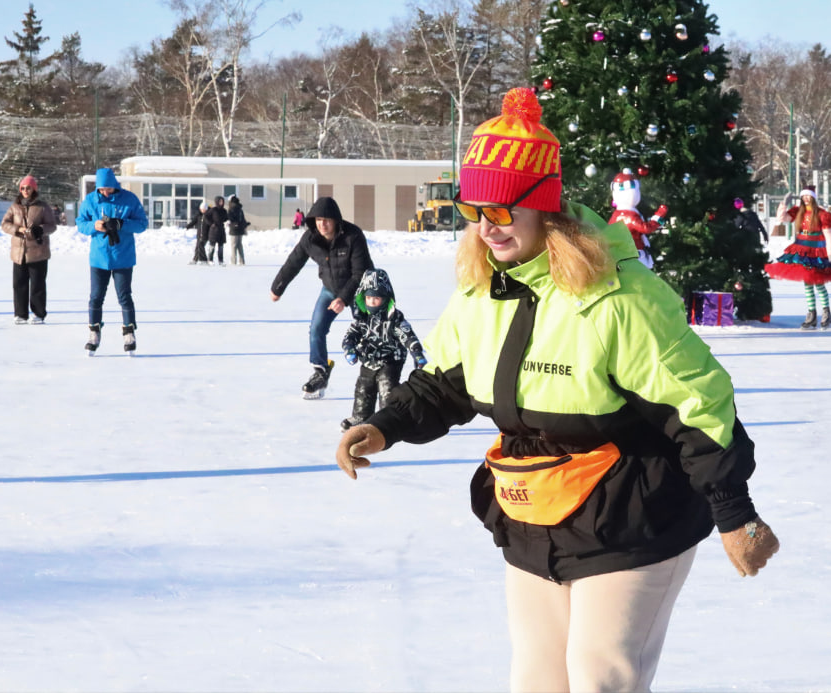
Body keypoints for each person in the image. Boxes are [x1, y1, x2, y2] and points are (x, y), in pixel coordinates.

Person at [335, 88, 778, 693]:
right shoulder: (480, 294)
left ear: (543, 207)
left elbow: (697, 405)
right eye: (473, 210)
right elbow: (446, 385)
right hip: (535, 513)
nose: (485, 229)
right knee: (539, 683)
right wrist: (384, 424)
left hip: (633, 519)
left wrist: (734, 513)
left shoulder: (620, 299)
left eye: (500, 211)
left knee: (599, 680)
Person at [271, 196, 374, 397]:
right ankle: (320, 371)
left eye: (326, 220)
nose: (322, 224)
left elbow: (360, 272)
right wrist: (277, 288)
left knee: (367, 330)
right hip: (330, 289)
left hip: (362, 290)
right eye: (318, 220)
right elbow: (293, 262)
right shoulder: (310, 239)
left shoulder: (353, 236)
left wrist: (344, 299)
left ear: (336, 220)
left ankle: (375, 372)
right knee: (316, 329)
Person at [338, 268, 427, 431]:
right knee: (363, 388)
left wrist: (417, 353)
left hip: (391, 359)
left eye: (376, 298)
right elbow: (350, 335)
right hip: (368, 358)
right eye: (368, 298)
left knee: (387, 388)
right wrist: (349, 348)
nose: (371, 302)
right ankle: (361, 416)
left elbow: (407, 335)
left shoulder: (394, 318)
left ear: (386, 299)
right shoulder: (362, 318)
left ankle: (389, 418)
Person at [76, 168, 149, 353]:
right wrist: (95, 225)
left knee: (124, 296)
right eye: (102, 189)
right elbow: (80, 223)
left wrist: (122, 224)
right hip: (99, 258)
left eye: (108, 188)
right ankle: (94, 330)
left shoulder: (129, 199)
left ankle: (129, 331)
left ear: (115, 186)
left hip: (122, 257)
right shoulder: (91, 200)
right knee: (95, 297)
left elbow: (142, 224)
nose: (105, 192)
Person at [768, 188, 831, 329]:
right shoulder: (798, 211)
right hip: (802, 250)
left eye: (809, 196)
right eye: (804, 196)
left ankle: (826, 312)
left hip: (817, 252)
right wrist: (783, 205)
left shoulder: (821, 214)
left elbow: (828, 235)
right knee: (807, 283)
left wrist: (830, 253)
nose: (806, 198)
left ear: (813, 197)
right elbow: (781, 219)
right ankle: (811, 314)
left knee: (818, 283)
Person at [0, 174, 57, 324]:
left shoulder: (42, 207)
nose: (25, 190)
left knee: (37, 284)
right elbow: (5, 224)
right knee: (19, 284)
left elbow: (52, 226)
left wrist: (39, 229)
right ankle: (20, 314)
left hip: (38, 252)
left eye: (28, 187)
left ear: (34, 189)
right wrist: (18, 229)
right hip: (19, 253)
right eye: (23, 188)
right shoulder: (14, 207)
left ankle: (39, 314)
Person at [204, 196, 228, 264]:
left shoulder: (224, 211)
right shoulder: (213, 210)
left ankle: (221, 260)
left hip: (221, 231)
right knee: (212, 246)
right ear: (217, 202)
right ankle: (210, 259)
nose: (221, 202)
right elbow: (206, 217)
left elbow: (226, 218)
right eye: (220, 201)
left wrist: (227, 222)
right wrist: (211, 224)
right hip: (214, 231)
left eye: (222, 201)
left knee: (221, 246)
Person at [227, 195, 249, 266]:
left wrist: (233, 224)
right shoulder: (240, 209)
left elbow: (230, 219)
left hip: (234, 230)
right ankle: (242, 261)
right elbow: (243, 219)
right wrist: (245, 225)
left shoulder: (231, 209)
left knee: (233, 245)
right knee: (239, 245)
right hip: (240, 229)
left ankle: (233, 261)